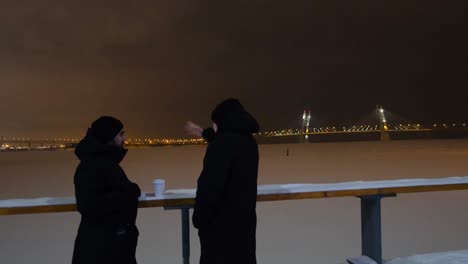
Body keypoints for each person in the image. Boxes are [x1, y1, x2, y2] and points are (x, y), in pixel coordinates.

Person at [185, 98, 260, 264]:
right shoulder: (248, 142)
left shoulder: (221, 145)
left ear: (222, 122)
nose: (213, 127)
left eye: (214, 123)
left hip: (220, 229)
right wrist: (202, 132)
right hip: (243, 226)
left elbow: (210, 187)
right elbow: (227, 144)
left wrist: (199, 219)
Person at [72, 116, 141, 264]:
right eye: (120, 134)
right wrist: (131, 192)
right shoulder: (97, 164)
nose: (124, 138)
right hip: (104, 248)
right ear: (109, 137)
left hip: (102, 245)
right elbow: (89, 205)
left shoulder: (99, 161)